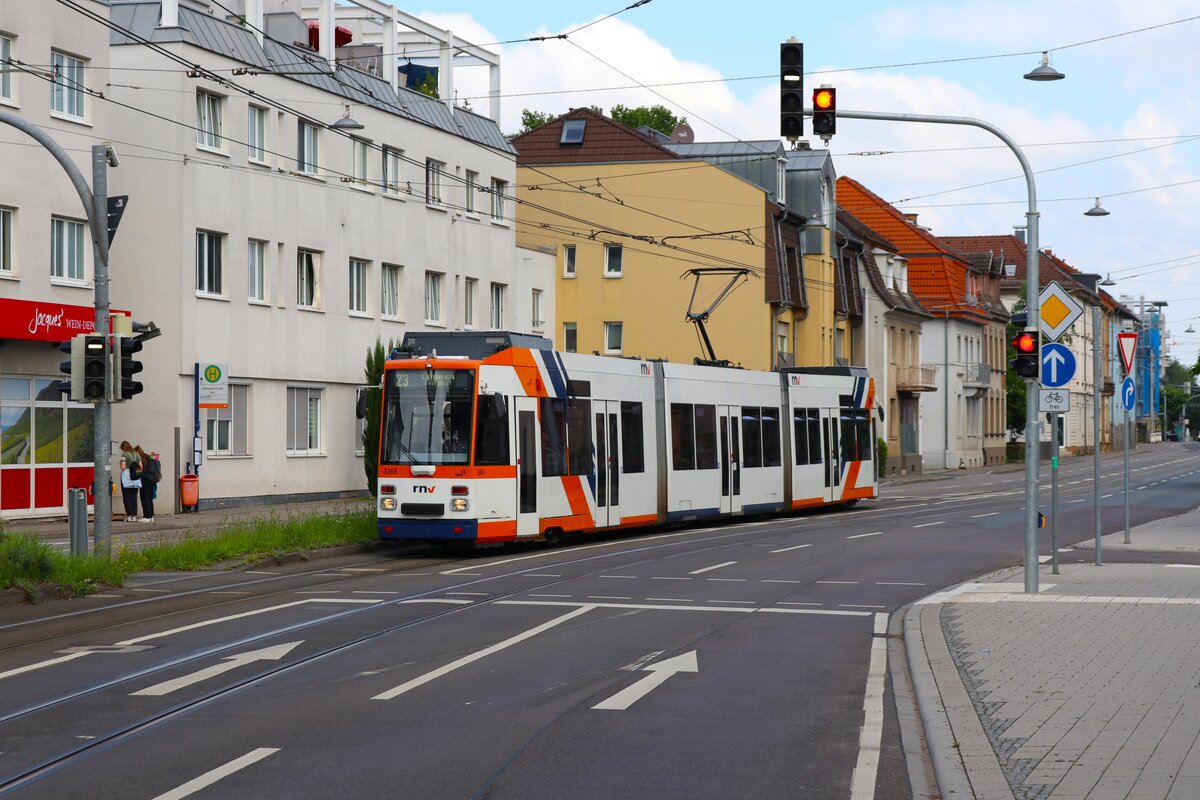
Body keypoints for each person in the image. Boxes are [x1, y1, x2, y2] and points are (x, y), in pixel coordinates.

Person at [134, 444, 159, 522]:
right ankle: (151, 517)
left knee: (144, 498)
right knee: (149, 498)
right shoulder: (148, 457)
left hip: (144, 480)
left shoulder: (141, 459)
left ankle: (146, 516)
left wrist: (135, 474)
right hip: (151, 480)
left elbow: (140, 470)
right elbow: (157, 458)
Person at [118, 457, 141, 522]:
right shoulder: (137, 455)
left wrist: (121, 465)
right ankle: (134, 516)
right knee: (134, 497)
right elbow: (140, 467)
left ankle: (129, 515)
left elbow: (123, 467)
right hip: (135, 480)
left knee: (127, 498)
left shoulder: (124, 455)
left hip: (126, 480)